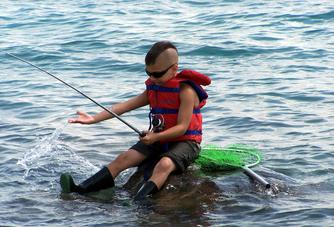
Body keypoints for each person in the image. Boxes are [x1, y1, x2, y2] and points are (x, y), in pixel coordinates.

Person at [60, 41, 211, 200]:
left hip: (185, 142)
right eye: (148, 73)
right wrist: (94, 119)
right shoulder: (154, 88)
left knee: (164, 165)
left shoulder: (185, 91)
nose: (152, 78)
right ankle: (81, 189)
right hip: (158, 140)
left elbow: (182, 127)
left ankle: (138, 201)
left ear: (174, 68)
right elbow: (124, 106)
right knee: (123, 158)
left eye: (157, 74)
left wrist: (155, 137)